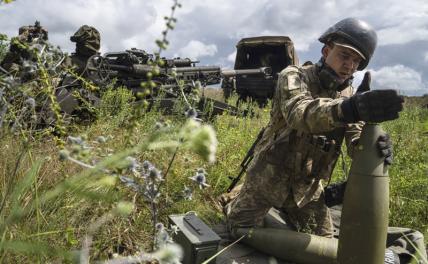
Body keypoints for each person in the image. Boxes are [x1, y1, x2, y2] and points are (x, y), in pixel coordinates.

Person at [222, 18, 426, 262]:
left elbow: (355, 140)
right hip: (267, 180)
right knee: (238, 230)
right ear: (326, 51)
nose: (349, 65)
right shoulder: (294, 76)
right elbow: (300, 112)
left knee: (327, 249)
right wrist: (349, 109)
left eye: (356, 61)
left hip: (307, 192)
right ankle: (238, 196)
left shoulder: (348, 94)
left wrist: (375, 144)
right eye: (344, 55)